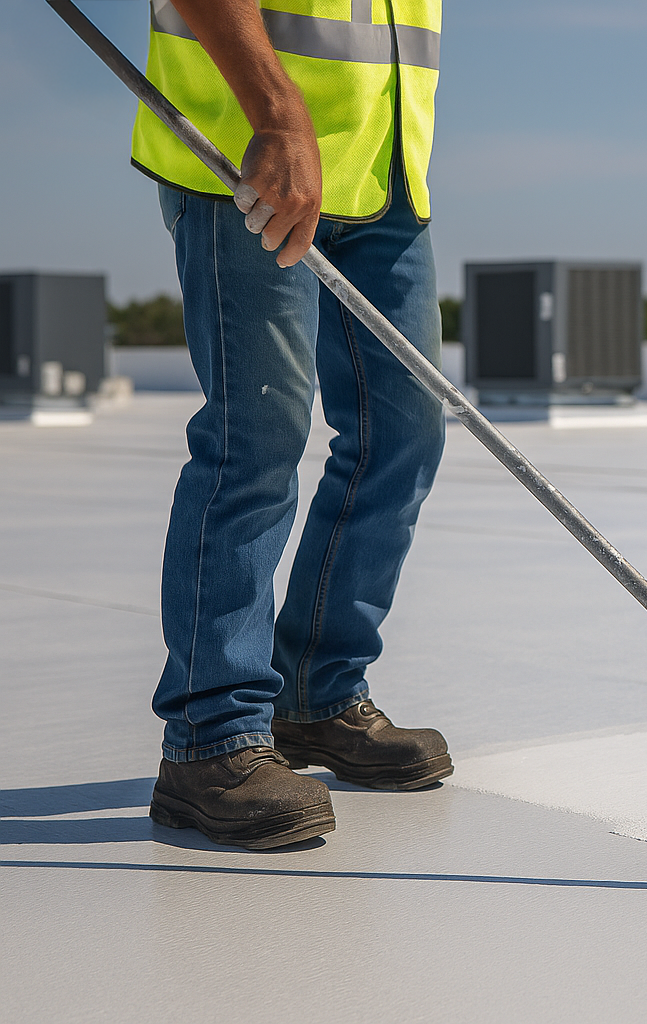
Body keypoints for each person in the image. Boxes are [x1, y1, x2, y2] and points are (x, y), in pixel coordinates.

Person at [133, 0, 451, 849]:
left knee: (407, 431)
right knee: (258, 437)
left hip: (382, 176)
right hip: (247, 147)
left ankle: (315, 693)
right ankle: (212, 739)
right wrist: (277, 113)